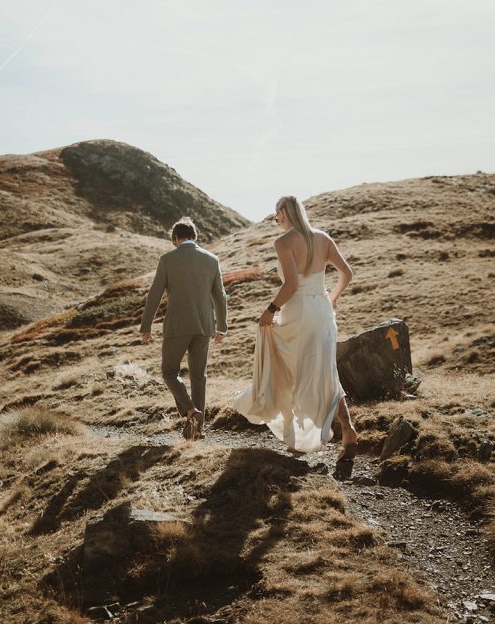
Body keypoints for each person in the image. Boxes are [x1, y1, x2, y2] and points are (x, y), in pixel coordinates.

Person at [235, 194, 358, 458]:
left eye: (276, 214)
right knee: (325, 371)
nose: (275, 219)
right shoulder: (323, 238)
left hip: (298, 312)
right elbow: (347, 273)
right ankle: (347, 429)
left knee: (291, 372)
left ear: (284, 212)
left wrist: (270, 310)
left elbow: (290, 285)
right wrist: (332, 298)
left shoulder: (284, 242)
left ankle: (299, 440)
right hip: (323, 312)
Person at [140, 217, 227, 440]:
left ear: (175, 238)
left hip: (177, 326)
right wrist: (222, 326)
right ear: (194, 236)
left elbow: (154, 294)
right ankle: (196, 429)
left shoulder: (168, 259)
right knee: (199, 376)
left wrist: (146, 325)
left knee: (169, 372)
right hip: (204, 325)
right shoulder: (212, 259)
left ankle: (190, 411)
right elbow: (220, 296)